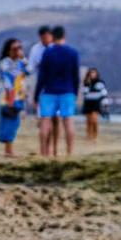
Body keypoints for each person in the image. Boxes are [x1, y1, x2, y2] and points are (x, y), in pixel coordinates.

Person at [33, 25, 81, 157]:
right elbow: (76, 76)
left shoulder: (47, 53)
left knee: (45, 121)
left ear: (52, 37)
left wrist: (36, 95)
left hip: (49, 92)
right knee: (68, 121)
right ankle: (69, 152)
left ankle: (44, 153)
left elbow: (41, 77)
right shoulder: (73, 53)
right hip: (67, 91)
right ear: (64, 36)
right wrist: (75, 93)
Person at [0, 36, 35, 158]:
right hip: (8, 97)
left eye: (20, 47)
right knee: (9, 121)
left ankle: (8, 148)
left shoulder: (21, 62)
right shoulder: (5, 63)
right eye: (15, 48)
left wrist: (23, 57)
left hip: (19, 96)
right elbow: (7, 80)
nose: (18, 50)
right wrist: (10, 97)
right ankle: (8, 150)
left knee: (14, 122)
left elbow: (30, 70)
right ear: (9, 50)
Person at [81, 68, 109, 143]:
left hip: (96, 103)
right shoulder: (86, 82)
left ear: (96, 74)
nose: (92, 74)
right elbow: (84, 93)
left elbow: (104, 93)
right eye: (91, 73)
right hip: (87, 103)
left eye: (94, 73)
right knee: (88, 121)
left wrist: (105, 103)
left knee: (94, 120)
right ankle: (88, 136)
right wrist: (87, 84)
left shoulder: (100, 83)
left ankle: (95, 136)